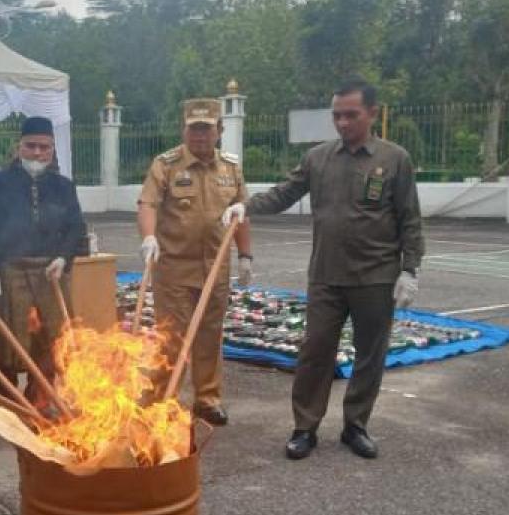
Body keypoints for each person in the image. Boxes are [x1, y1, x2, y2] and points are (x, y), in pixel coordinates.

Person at [222, 79, 424, 460]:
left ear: (372, 113)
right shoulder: (318, 158)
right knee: (315, 351)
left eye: (351, 115)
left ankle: (356, 425)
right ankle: (305, 427)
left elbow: (409, 219)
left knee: (370, 354)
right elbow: (284, 192)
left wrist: (409, 269)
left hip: (376, 277)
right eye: (337, 116)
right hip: (327, 276)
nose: (343, 122)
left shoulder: (395, 159)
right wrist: (245, 207)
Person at [137, 98, 254, 427]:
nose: (200, 135)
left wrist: (245, 255)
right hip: (174, 269)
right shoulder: (166, 165)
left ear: (220, 130)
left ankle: (207, 398)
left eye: (206, 129)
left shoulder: (230, 168)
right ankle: (162, 400)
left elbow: (241, 213)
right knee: (171, 337)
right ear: (183, 130)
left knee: (210, 335)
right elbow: (148, 204)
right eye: (194, 129)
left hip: (215, 268)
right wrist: (149, 237)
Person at [0, 117, 85, 408]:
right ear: (19, 146)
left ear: (52, 150)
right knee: (6, 343)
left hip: (52, 274)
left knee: (52, 342)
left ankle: (37, 403)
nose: (37, 153)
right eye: (31, 146)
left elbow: (75, 227)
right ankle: (6, 407)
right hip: (10, 271)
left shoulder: (64, 186)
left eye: (44, 147)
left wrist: (63, 257)